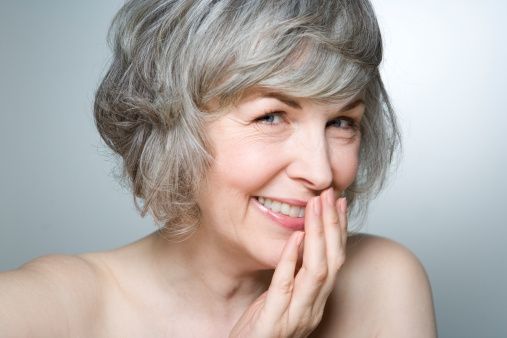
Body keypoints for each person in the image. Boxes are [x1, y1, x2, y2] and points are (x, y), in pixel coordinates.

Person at [0, 0, 437, 337]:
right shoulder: (42, 309)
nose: (321, 173)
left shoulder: (381, 282)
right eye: (271, 116)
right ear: (170, 123)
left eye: (341, 122)